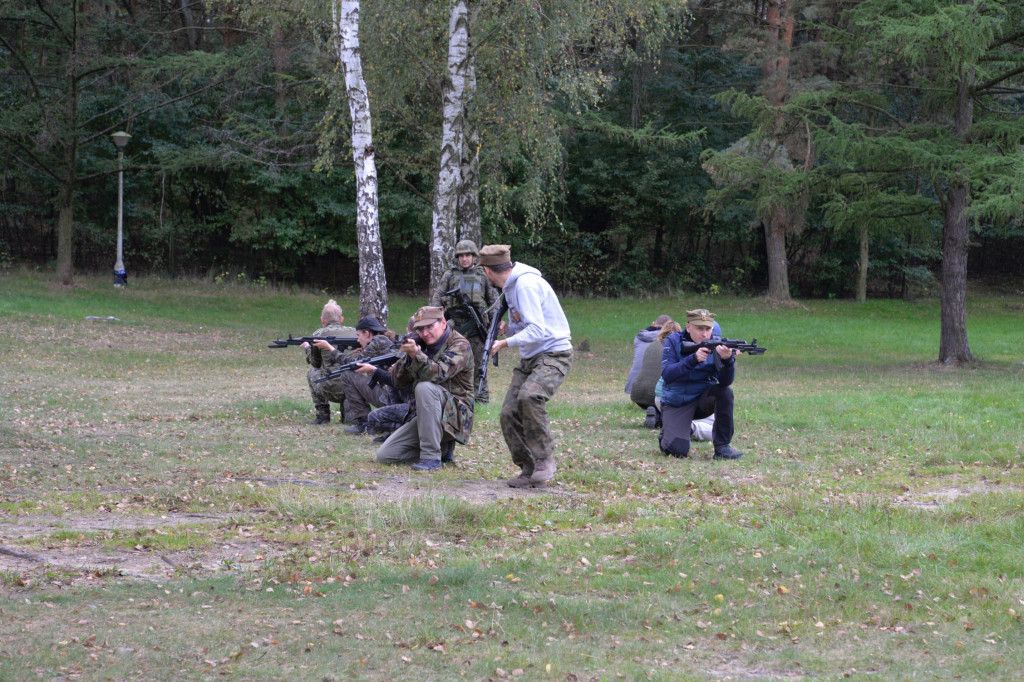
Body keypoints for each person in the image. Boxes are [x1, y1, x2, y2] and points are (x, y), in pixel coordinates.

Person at [479, 244, 573, 488]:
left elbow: (538, 330)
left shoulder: (525, 285)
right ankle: (529, 468)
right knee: (508, 412)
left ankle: (544, 459)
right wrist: (510, 328)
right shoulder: (511, 287)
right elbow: (527, 324)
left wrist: (504, 342)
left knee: (530, 397)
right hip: (531, 357)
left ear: (488, 271)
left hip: (554, 353)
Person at [375, 306, 475, 471]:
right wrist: (408, 357)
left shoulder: (460, 345)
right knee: (386, 455)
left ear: (443, 323)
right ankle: (443, 449)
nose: (425, 333)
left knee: (425, 387)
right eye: (420, 329)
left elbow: (437, 374)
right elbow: (398, 382)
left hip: (456, 417)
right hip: (427, 416)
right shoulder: (422, 344)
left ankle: (431, 457)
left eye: (429, 327)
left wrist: (417, 355)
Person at [659, 308, 744, 461]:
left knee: (725, 392)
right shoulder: (674, 341)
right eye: (699, 328)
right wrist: (693, 359)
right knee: (677, 450)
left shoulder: (718, 344)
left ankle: (722, 448)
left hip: (702, 400)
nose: (704, 334)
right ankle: (667, 432)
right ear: (688, 326)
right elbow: (667, 374)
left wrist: (728, 360)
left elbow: (725, 382)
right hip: (677, 403)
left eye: (708, 329)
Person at [429, 240, 500, 403]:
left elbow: (493, 300)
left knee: (478, 363)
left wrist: (494, 325)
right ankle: (452, 395)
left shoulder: (483, 275)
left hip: (477, 327)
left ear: (474, 256)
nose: (465, 258)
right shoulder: (450, 274)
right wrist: (435, 320)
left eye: (468, 255)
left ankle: (481, 398)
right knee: (450, 362)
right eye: (461, 256)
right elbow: (438, 296)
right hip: (455, 325)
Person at [317, 316, 397, 435]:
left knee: (347, 374)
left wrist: (330, 348)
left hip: (391, 399)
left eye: (359, 335)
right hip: (393, 399)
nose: (358, 340)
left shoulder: (379, 340)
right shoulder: (382, 340)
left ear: (367, 333)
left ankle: (364, 423)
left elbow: (353, 364)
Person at [304, 299, 357, 425]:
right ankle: (350, 411)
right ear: (341, 319)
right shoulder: (355, 332)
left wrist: (307, 349)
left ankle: (323, 415)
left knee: (312, 372)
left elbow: (315, 363)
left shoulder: (318, 334)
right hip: (354, 388)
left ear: (323, 320)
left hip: (330, 388)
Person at [631, 320, 681, 428]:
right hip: (659, 393)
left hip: (638, 392)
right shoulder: (678, 347)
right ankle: (660, 415)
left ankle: (655, 412)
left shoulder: (652, 345)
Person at [625, 315, 672, 395]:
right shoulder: (670, 339)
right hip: (655, 390)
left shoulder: (639, 337)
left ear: (653, 324)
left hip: (632, 387)